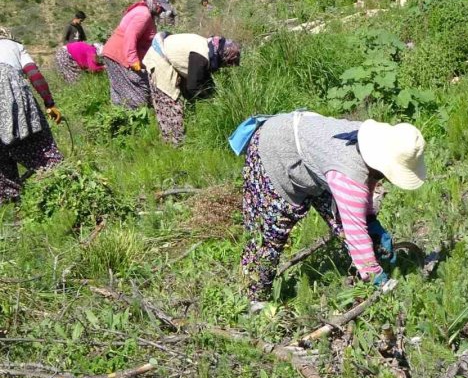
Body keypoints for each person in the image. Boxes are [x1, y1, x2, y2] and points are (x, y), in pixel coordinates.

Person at [240, 111, 426, 308]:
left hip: (314, 158)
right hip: (273, 150)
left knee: (344, 219)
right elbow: (356, 228)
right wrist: (376, 278)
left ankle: (373, 259)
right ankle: (254, 303)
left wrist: (371, 220)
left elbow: (368, 181)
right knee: (269, 234)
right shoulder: (349, 173)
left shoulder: (370, 145)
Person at [0, 27, 64, 204]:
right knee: (38, 147)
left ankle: (9, 201)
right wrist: (49, 103)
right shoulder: (14, 46)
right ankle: (61, 183)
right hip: (12, 99)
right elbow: (34, 74)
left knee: (2, 157)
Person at [143, 33, 241, 145]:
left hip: (169, 56)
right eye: (226, 64)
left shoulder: (210, 48)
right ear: (222, 57)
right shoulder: (201, 56)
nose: (224, 67)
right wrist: (211, 99)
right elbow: (193, 87)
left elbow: (204, 80)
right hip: (160, 61)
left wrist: (215, 95)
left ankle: (183, 134)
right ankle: (175, 145)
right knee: (171, 107)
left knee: (188, 100)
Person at [101, 0, 175, 109]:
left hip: (117, 54)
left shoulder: (145, 12)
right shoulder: (143, 14)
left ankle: (121, 117)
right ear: (156, 3)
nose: (161, 11)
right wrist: (133, 61)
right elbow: (130, 37)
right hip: (120, 56)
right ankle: (134, 118)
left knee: (124, 93)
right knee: (139, 93)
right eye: (161, 7)